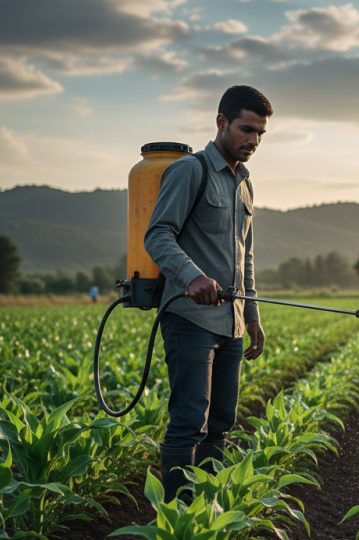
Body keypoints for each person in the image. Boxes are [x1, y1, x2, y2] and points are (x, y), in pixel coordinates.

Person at [144, 85, 272, 501]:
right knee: (188, 423)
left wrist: (251, 316)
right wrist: (192, 277)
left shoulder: (245, 185)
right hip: (190, 318)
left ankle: (207, 511)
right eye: (246, 129)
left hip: (231, 323)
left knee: (221, 422)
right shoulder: (190, 170)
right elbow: (158, 235)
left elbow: (245, 257)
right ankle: (179, 522)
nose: (253, 140)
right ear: (222, 123)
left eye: (260, 134)